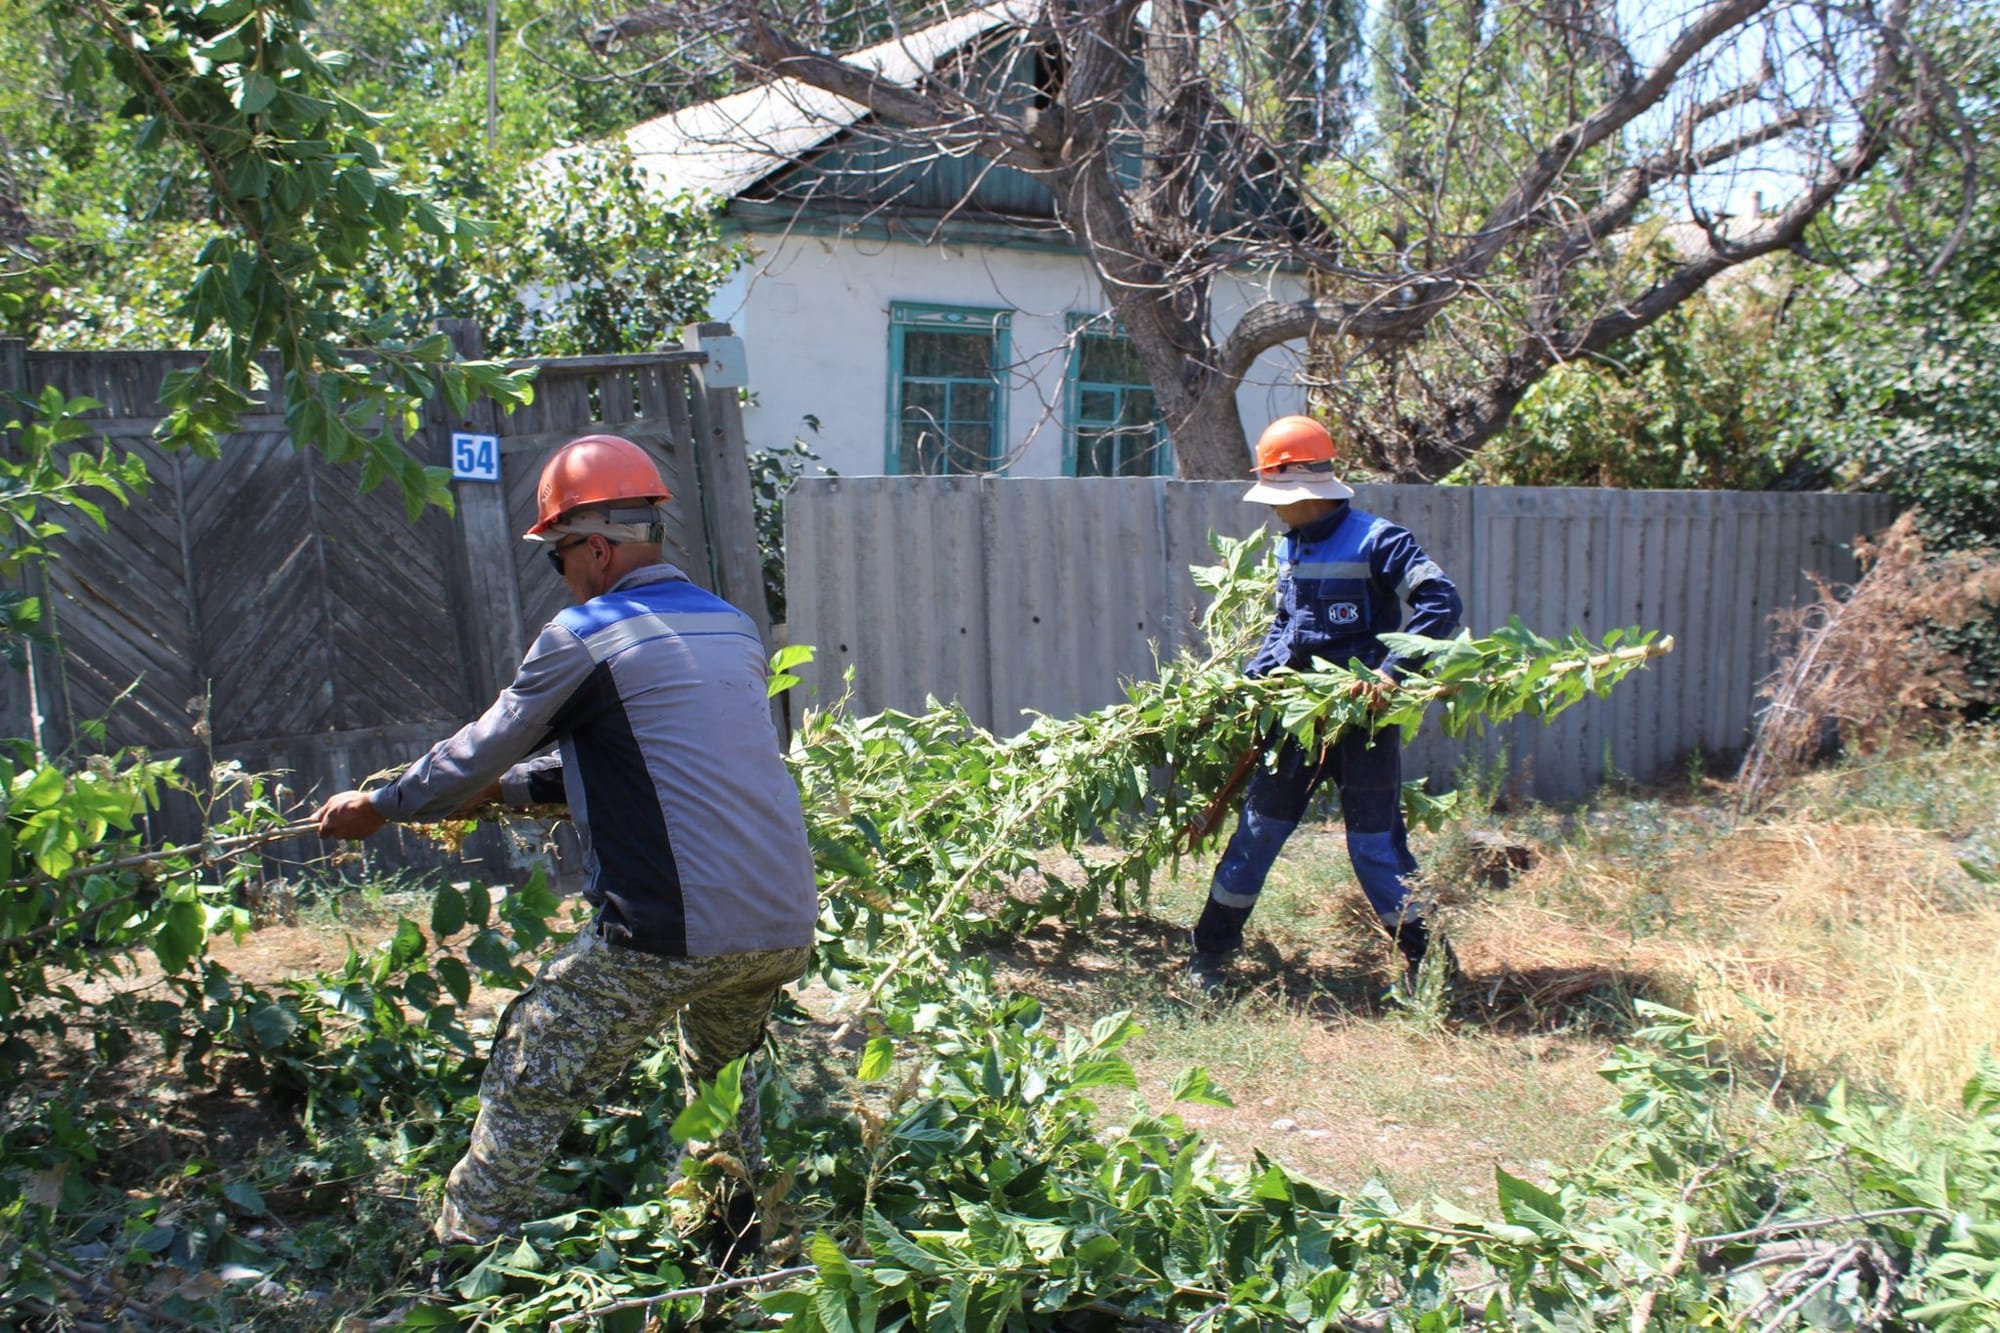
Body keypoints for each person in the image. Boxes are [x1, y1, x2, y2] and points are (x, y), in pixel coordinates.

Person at [314, 433, 818, 1259]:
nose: (563, 577)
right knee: (721, 1081)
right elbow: (650, 760)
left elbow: (479, 749)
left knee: (531, 1065)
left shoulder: (588, 633)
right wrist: (501, 794)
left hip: (672, 930)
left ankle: (467, 1254)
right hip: (783, 923)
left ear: (595, 548)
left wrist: (382, 804)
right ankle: (728, 1244)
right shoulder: (731, 628)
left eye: (558, 559)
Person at [1186, 415, 1463, 995]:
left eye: (1275, 496)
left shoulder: (1379, 540)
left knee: (1374, 846)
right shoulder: (1289, 549)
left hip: (1364, 724)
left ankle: (1432, 966)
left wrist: (1391, 673)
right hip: (1297, 721)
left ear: (1301, 491)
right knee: (1257, 833)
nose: (1272, 509)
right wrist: (1251, 685)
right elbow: (1285, 629)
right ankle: (1208, 956)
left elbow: (1440, 603)